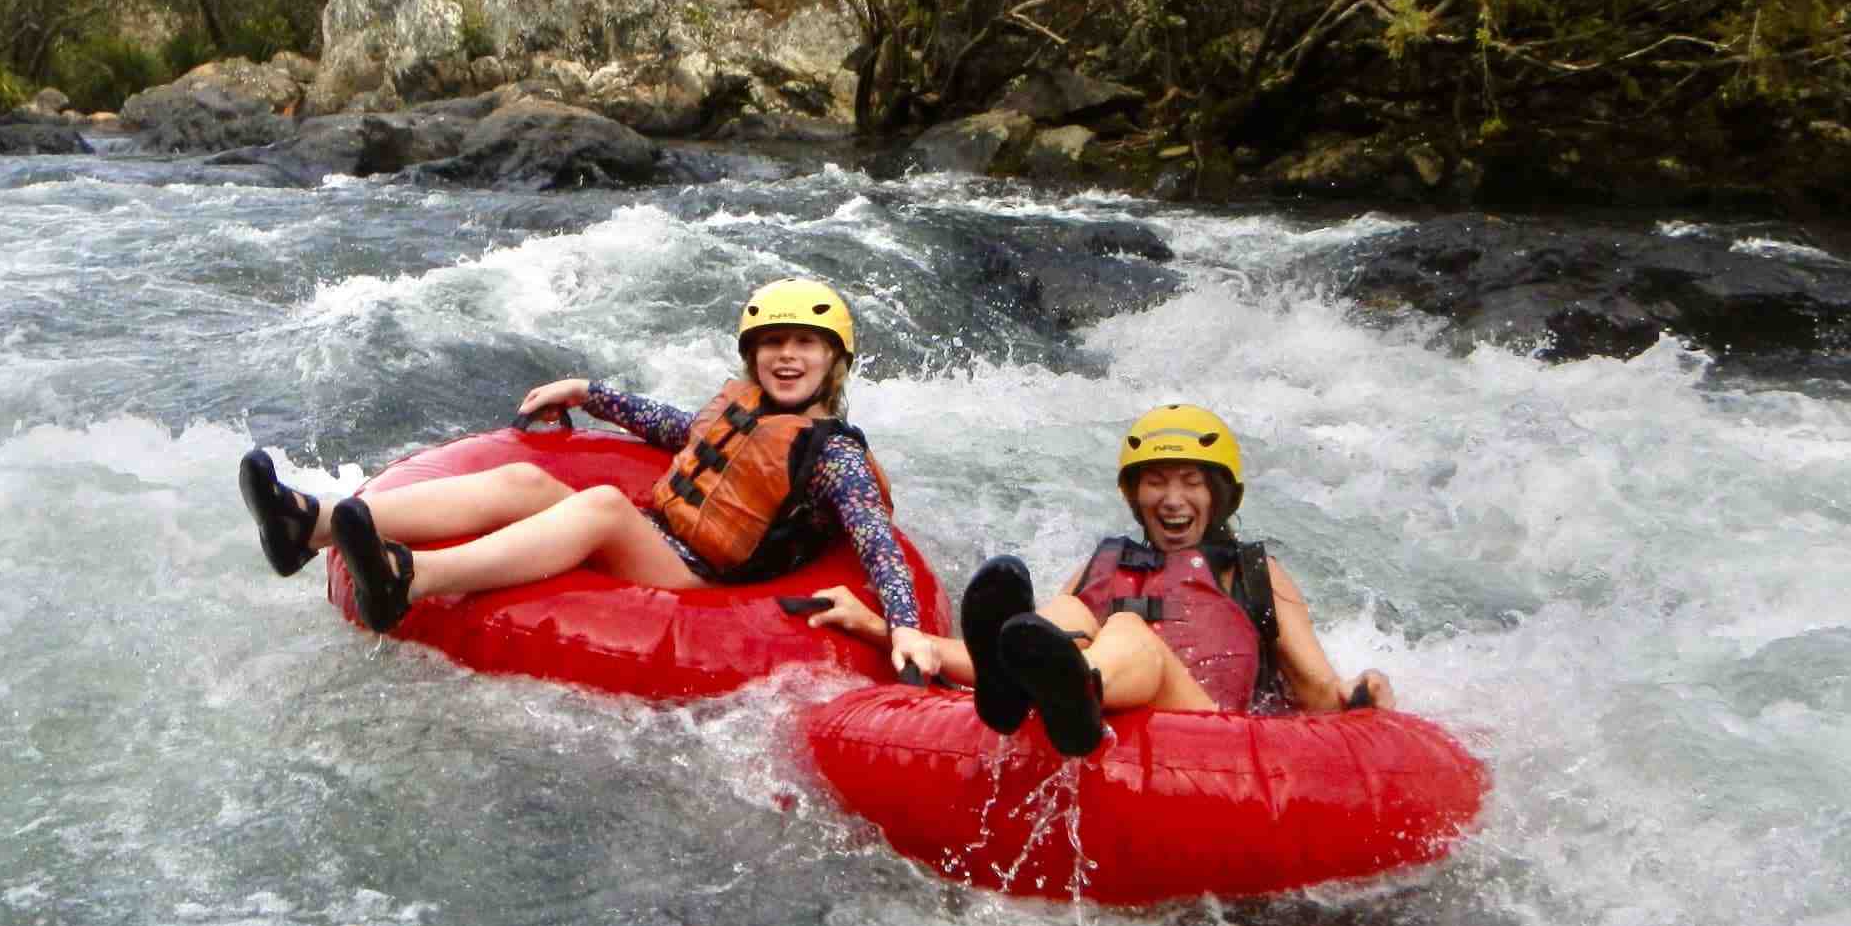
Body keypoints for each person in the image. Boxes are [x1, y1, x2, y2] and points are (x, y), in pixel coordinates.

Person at [237, 278, 928, 648]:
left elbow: (876, 541)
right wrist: (591, 394)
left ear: (835, 358)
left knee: (601, 506)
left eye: (806, 344)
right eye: (773, 343)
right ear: (753, 356)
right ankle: (311, 523)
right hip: (667, 538)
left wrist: (904, 629)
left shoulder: (835, 456)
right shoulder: (750, 410)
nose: (787, 356)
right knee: (524, 480)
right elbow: (682, 431)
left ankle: (408, 580)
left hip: (706, 579)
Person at [802, 403, 1392, 757]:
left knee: (1129, 630)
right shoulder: (1104, 565)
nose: (1173, 499)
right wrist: (884, 630)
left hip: (1208, 733)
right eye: (1156, 482)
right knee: (1065, 620)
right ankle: (1049, 687)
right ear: (1134, 494)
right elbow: (1032, 649)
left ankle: (1077, 688)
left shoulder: (1256, 574)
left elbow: (1319, 695)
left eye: (1191, 482)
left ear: (1220, 494)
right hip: (1093, 712)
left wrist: (1363, 693)